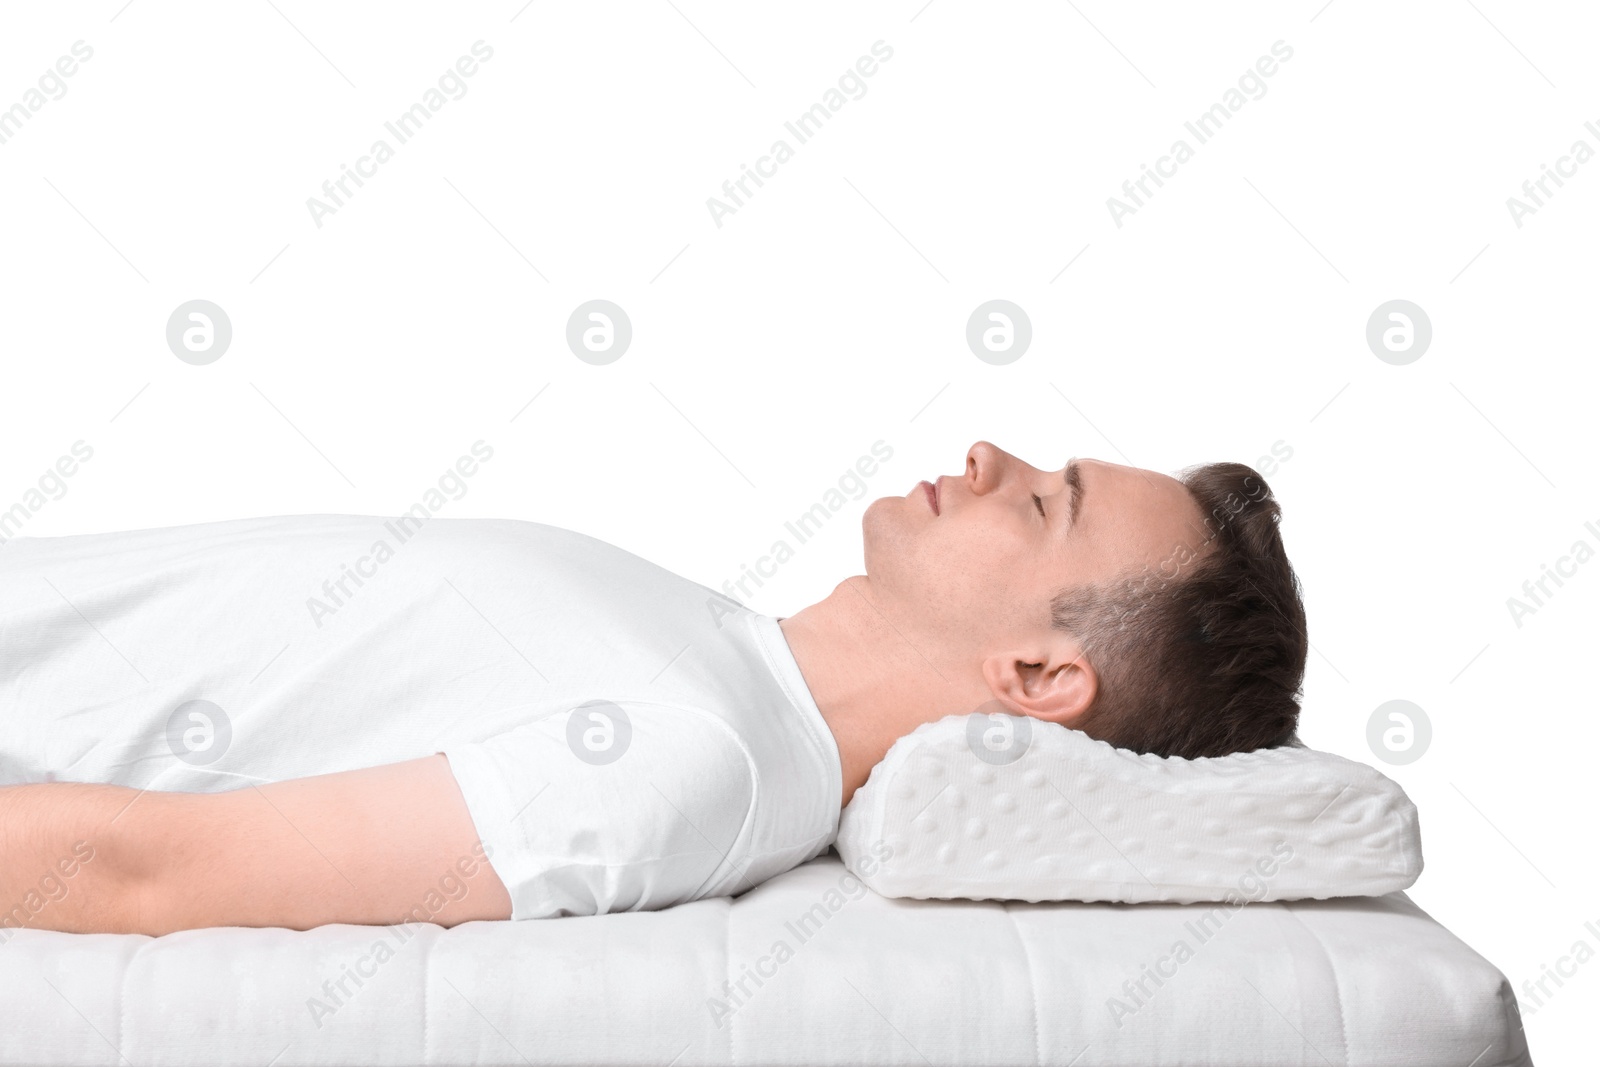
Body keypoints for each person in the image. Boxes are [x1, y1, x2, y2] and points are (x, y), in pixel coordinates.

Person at [0, 441, 1306, 937]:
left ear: (1036, 674)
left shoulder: (694, 758)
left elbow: (147, 874)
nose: (988, 452)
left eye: (1041, 503)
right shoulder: (723, 661)